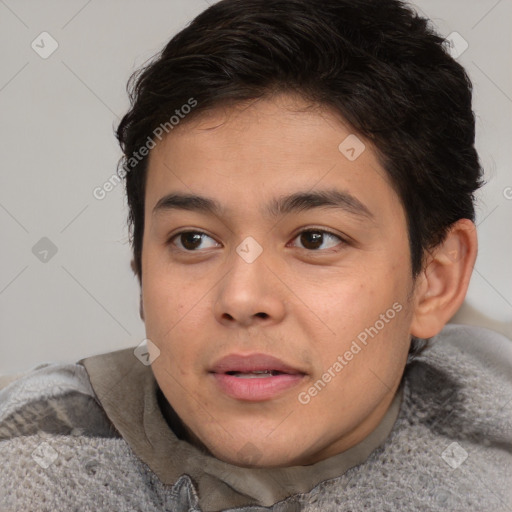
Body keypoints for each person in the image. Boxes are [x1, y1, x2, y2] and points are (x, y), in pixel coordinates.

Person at [1, 0, 511, 510]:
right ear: (140, 269)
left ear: (436, 279)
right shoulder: (36, 462)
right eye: (193, 240)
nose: (243, 298)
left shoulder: (491, 448)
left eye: (315, 239)